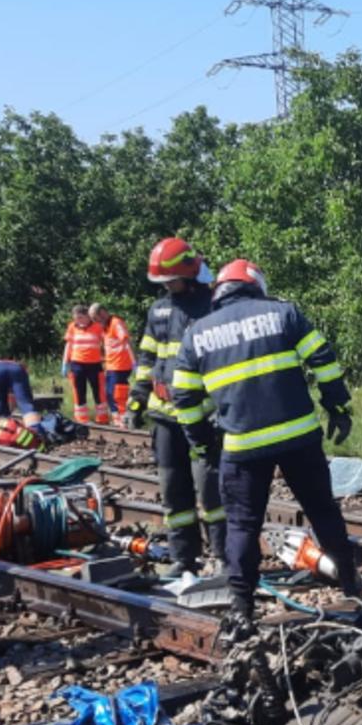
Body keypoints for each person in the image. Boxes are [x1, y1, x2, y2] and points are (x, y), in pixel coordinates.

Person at [171, 259, 355, 626]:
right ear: (256, 285)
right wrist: (337, 407)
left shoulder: (197, 333)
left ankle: (242, 607)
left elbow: (184, 398)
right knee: (322, 511)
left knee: (242, 526)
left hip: (241, 449)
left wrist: (204, 444)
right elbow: (322, 358)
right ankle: (352, 587)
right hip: (299, 438)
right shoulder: (283, 314)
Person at [130, 238, 226, 573]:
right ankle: (184, 558)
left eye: (170, 280)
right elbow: (147, 356)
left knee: (211, 490)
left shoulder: (214, 306)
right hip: (165, 415)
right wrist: (138, 396)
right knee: (174, 490)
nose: (167, 287)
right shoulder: (159, 309)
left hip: (203, 414)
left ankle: (225, 557)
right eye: (162, 282)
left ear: (188, 272)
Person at [61, 305, 107, 425]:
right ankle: (82, 419)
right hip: (77, 365)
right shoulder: (72, 327)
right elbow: (68, 345)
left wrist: (108, 359)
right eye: (76, 318)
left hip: (95, 365)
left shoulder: (97, 327)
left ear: (88, 316)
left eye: (80, 317)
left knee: (99, 392)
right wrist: (65, 363)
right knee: (79, 392)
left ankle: (102, 419)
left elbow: (107, 342)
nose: (77, 320)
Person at [91, 304, 135, 425]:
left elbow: (126, 342)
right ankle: (118, 420)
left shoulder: (116, 323)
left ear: (103, 313)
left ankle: (124, 420)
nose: (96, 321)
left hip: (121, 365)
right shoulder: (105, 327)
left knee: (118, 394)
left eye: (96, 318)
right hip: (111, 366)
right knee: (108, 393)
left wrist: (134, 361)